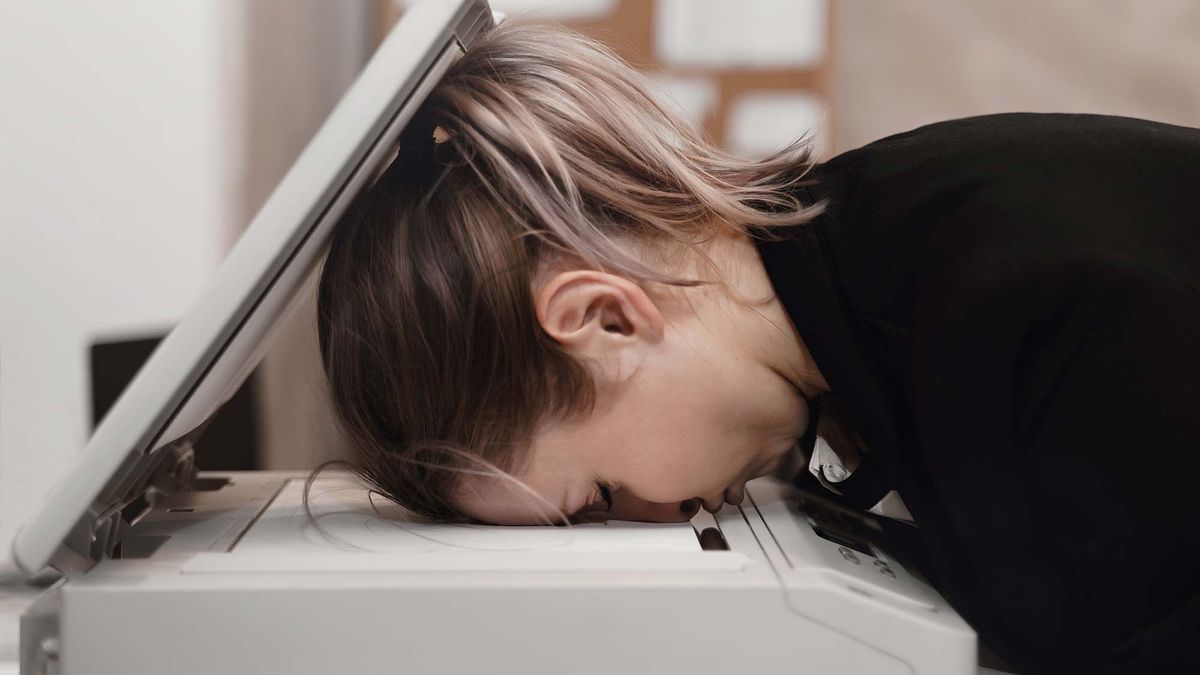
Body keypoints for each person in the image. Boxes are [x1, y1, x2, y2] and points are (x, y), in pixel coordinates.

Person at [315, 20, 1200, 675]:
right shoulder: (870, 300)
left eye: (599, 499)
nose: (649, 527)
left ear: (607, 318)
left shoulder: (1022, 303)